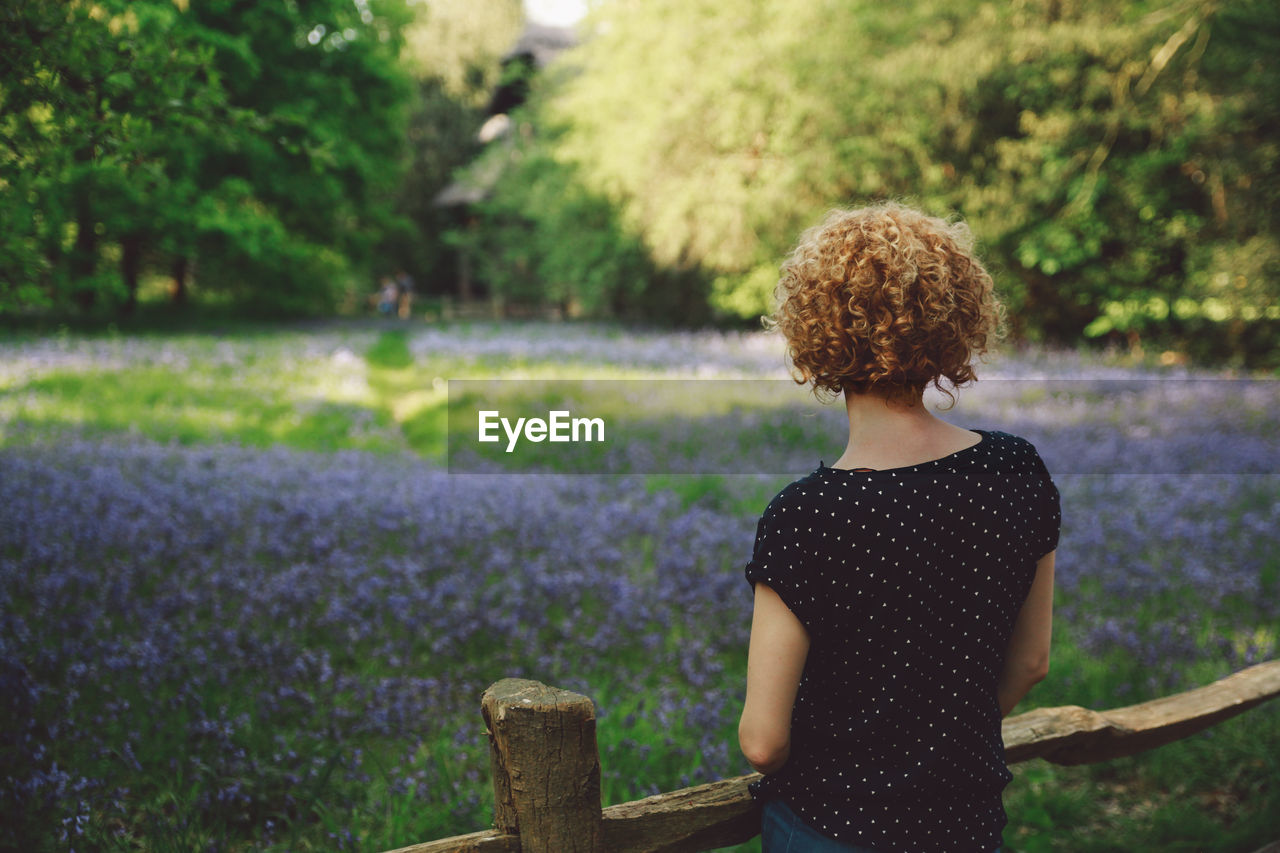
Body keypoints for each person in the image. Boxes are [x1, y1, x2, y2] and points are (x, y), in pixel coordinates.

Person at [738, 202, 1060, 853]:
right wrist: (938, 744)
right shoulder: (1015, 470)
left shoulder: (806, 516)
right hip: (965, 826)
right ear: (955, 322)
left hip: (834, 829)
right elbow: (1031, 661)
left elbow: (764, 741)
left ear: (813, 333)